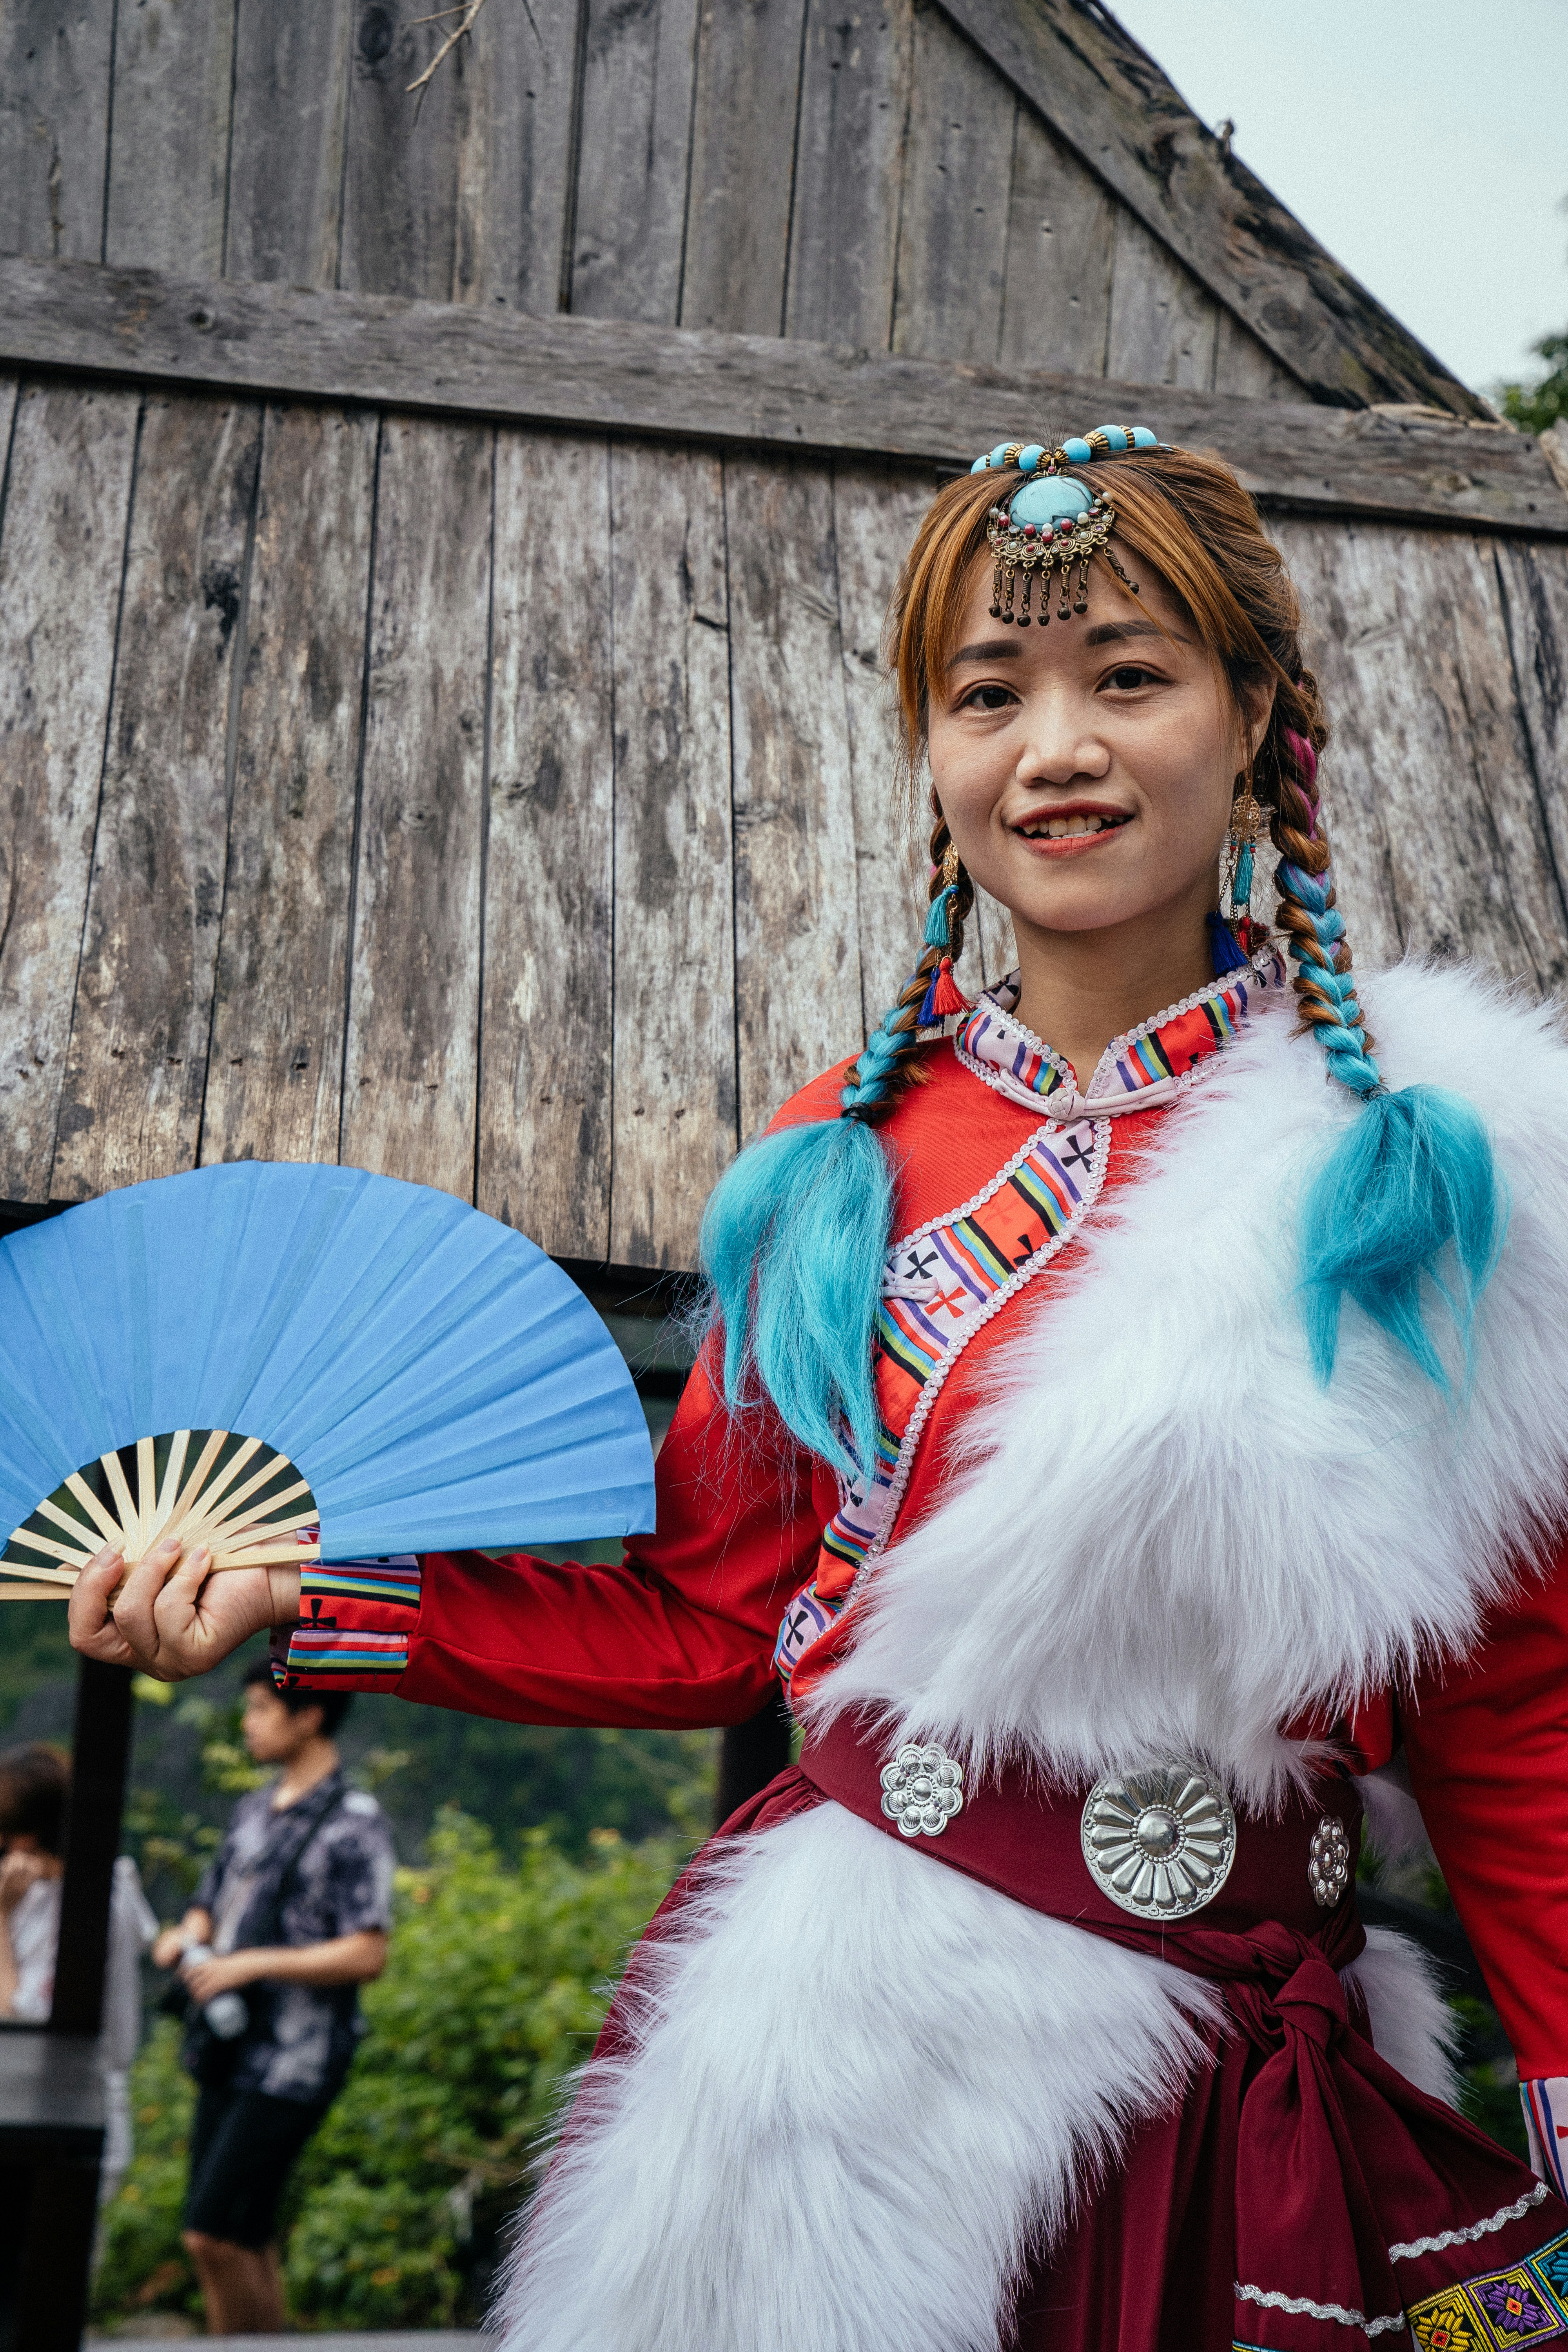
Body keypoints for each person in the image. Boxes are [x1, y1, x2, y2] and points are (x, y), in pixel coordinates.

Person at [67, 426, 1568, 2349]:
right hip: (828, 2077)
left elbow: (1515, 1713)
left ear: (1253, 712)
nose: (1056, 748)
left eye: (1127, 675)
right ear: (928, 755)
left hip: (1212, 2092)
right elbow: (709, 1623)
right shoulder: (830, 1177)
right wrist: (309, 1598)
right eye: (987, 694)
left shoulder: (1430, 1171)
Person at [151, 1661, 393, 2334]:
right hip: (228, 2045)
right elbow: (210, 1903)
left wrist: (249, 1964)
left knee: (212, 2237)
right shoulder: (253, 1808)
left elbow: (368, 1952)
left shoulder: (355, 1823)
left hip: (297, 2057)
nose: (248, 1723)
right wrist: (187, 1938)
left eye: (261, 1709)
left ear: (309, 1716)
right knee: (245, 2234)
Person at [0, 1741, 156, 2206]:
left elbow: (21, 2018)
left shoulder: (86, 1906)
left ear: (26, 1837)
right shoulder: (104, 1886)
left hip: (69, 2120)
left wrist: (0, 1918)